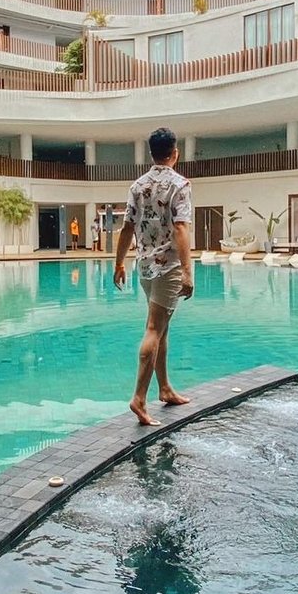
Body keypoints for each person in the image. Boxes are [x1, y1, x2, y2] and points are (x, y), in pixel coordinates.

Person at [114, 127, 194, 426]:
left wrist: (118, 263)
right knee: (153, 329)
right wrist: (187, 271)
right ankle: (138, 398)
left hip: (145, 268)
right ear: (175, 153)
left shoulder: (138, 185)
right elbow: (181, 228)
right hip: (168, 268)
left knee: (162, 328)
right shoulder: (180, 184)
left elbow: (126, 228)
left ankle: (165, 388)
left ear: (152, 154)